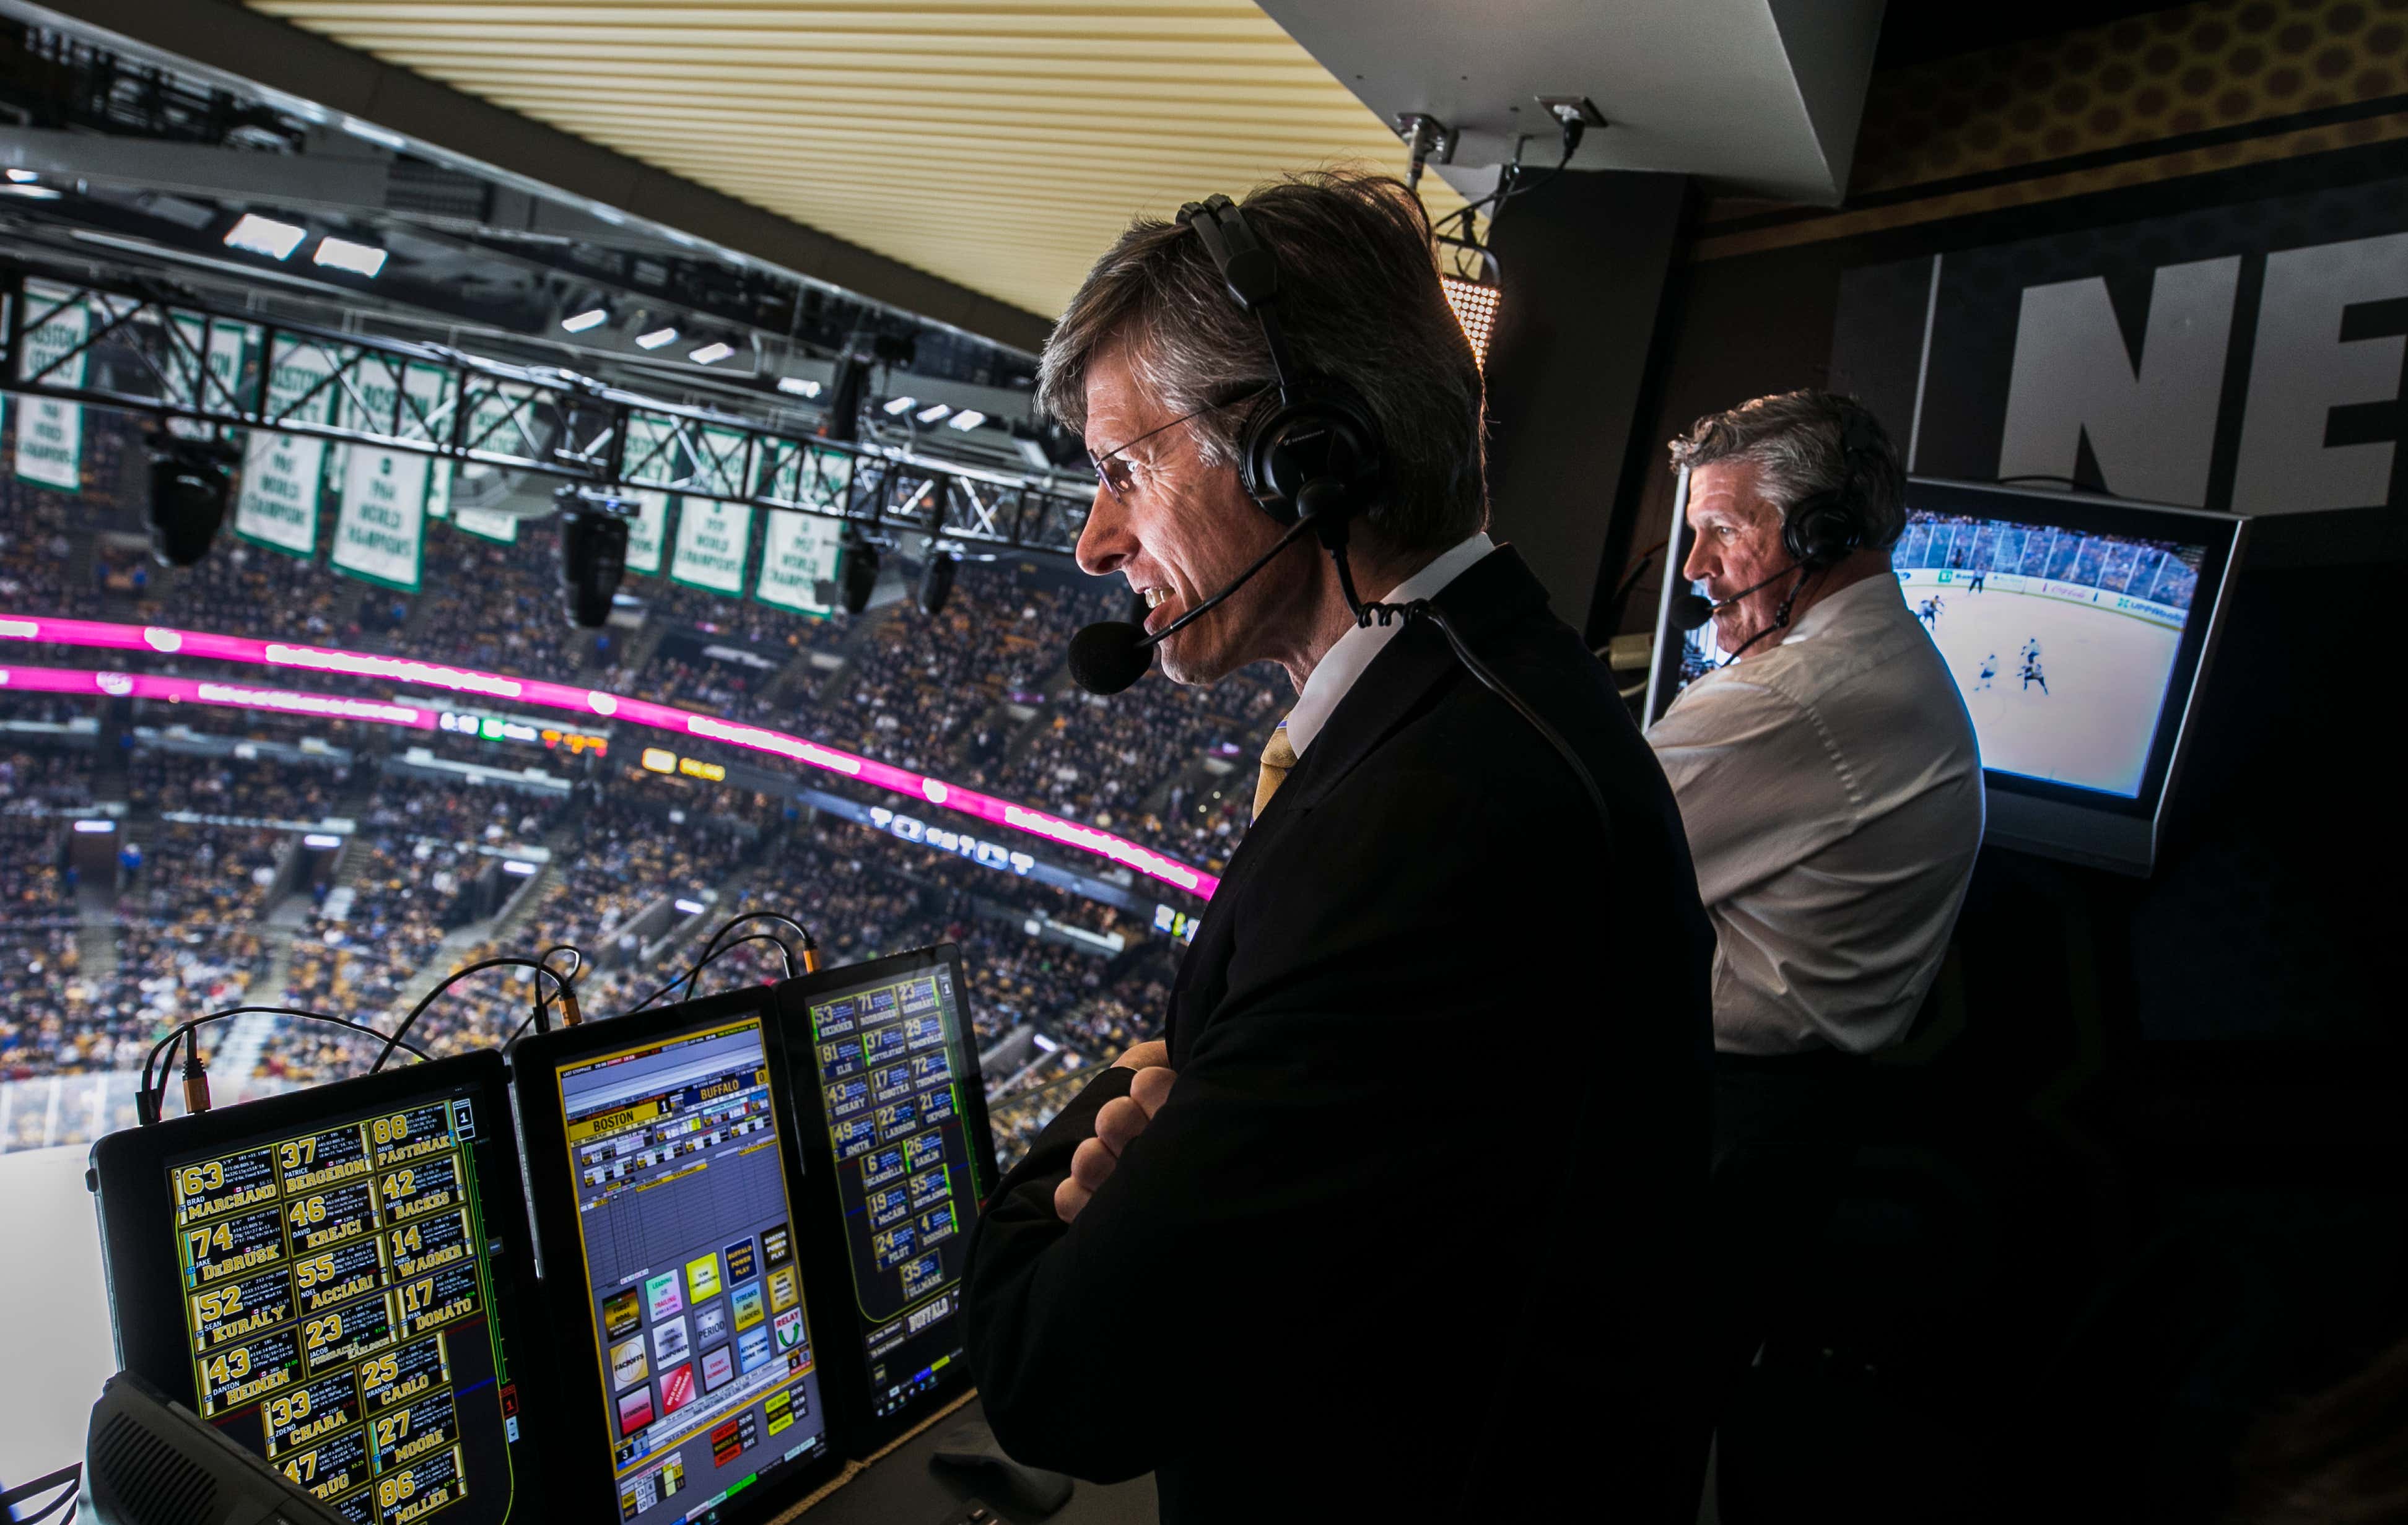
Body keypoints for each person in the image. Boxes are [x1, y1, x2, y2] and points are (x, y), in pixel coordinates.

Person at [962, 172, 1716, 1523]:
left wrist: (1112, 1111)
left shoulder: (1434, 823)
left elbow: (1060, 1373)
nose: (1094, 541)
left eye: (1126, 469)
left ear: (1307, 452)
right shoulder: (1490, 698)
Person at [1644, 391, 1985, 1452]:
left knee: (1616, 1418)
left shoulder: (1792, 697)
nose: (1694, 567)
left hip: (1729, 1130)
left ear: (1824, 533)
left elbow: (1570, 854)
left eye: (1722, 531)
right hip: (1788, 1122)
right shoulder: (1877, 657)